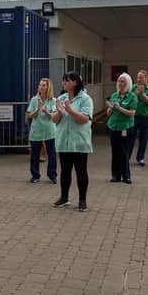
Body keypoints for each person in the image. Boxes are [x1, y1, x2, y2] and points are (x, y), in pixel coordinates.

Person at [52, 71, 93, 212]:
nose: (64, 83)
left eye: (67, 80)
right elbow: (55, 120)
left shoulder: (85, 99)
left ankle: (82, 200)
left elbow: (84, 119)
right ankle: (64, 197)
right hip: (64, 140)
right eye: (63, 80)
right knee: (65, 171)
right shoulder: (61, 98)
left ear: (75, 82)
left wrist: (69, 110)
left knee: (81, 171)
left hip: (79, 142)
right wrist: (58, 111)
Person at [106, 73, 137, 184]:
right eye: (119, 81)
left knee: (124, 151)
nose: (120, 83)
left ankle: (126, 176)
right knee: (115, 151)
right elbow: (109, 113)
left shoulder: (132, 96)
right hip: (113, 126)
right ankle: (115, 175)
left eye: (122, 81)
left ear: (128, 83)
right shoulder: (114, 95)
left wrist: (119, 108)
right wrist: (110, 108)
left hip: (125, 127)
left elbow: (132, 113)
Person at [26, 78, 57, 184]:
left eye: (44, 85)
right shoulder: (34, 100)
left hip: (49, 131)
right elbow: (29, 115)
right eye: (40, 85)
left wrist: (46, 111)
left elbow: (54, 116)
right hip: (37, 131)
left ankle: (52, 175)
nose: (41, 87)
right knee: (34, 154)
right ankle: (35, 175)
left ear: (48, 87)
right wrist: (37, 110)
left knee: (52, 154)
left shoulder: (53, 100)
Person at [129, 70, 148, 166]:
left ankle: (140, 157)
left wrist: (142, 94)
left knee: (143, 138)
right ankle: (127, 156)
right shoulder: (133, 87)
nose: (139, 79)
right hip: (133, 116)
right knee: (131, 137)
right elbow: (129, 100)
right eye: (138, 77)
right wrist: (136, 93)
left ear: (146, 78)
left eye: (141, 77)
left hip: (145, 117)